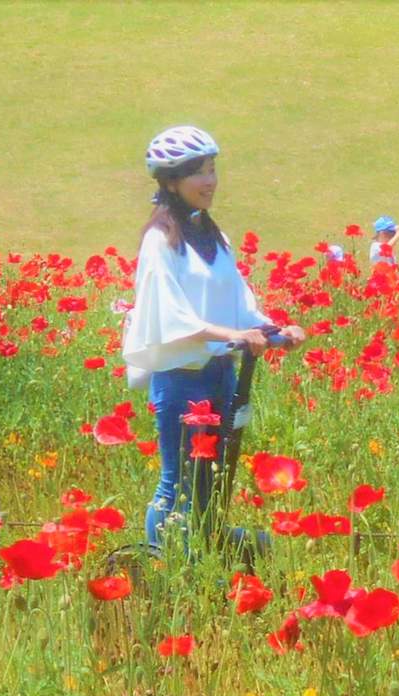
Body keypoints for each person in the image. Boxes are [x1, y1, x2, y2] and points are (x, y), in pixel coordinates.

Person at [123, 125, 306, 546]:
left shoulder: (214, 238)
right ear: (171, 182)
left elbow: (239, 304)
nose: (209, 181)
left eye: (211, 170)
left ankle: (202, 550)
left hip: (222, 372)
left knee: (211, 480)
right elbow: (169, 315)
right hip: (183, 376)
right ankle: (162, 563)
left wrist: (276, 329)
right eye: (197, 173)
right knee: (177, 482)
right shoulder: (159, 241)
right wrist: (236, 333)